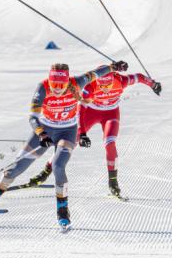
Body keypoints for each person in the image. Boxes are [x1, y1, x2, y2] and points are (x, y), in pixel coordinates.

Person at [0, 59, 127, 228]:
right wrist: (42, 134)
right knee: (16, 168)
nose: (58, 90)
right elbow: (33, 117)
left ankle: (62, 209)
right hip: (45, 130)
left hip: (67, 132)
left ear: (67, 81)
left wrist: (112, 67)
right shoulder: (42, 88)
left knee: (58, 166)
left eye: (61, 86)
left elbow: (97, 73)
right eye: (55, 85)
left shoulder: (77, 83)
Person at [24, 70, 162, 198]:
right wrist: (82, 133)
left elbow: (139, 77)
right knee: (72, 141)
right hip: (91, 112)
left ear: (112, 80)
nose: (104, 88)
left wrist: (153, 84)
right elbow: (80, 111)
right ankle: (45, 173)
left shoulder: (121, 81)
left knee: (110, 143)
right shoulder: (90, 88)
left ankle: (113, 182)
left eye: (107, 85)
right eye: (101, 85)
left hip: (110, 113)